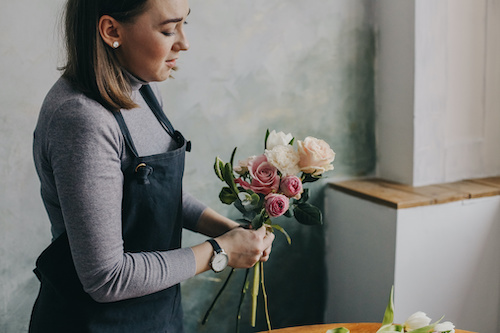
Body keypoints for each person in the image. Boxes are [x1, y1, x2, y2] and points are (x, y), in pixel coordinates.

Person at [29, 0, 275, 332]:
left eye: (184, 25)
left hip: (157, 314)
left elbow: (156, 195)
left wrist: (229, 231)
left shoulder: (142, 90)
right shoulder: (82, 119)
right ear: (111, 30)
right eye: (168, 29)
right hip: (93, 323)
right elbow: (107, 278)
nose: (184, 43)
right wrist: (221, 251)